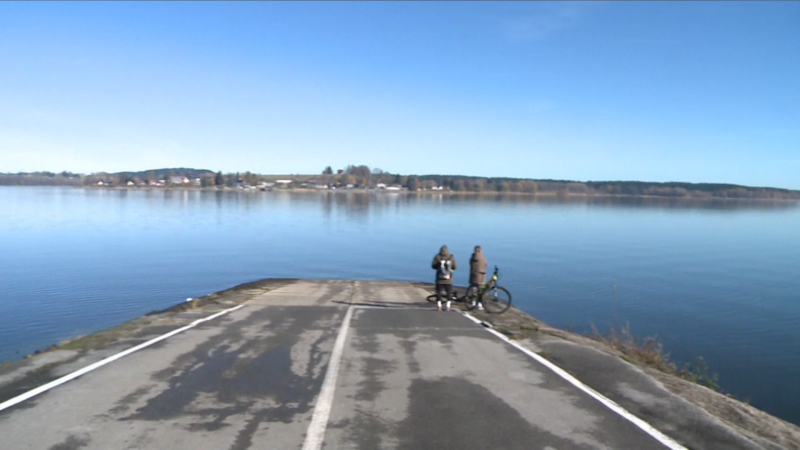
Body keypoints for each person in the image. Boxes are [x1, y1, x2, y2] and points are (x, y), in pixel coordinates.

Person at [431, 245, 457, 312]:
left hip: (439, 279)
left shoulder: (437, 257)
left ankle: (439, 305)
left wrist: (439, 266)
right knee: (449, 292)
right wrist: (450, 270)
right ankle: (448, 305)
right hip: (449, 279)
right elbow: (455, 267)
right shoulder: (452, 257)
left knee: (439, 292)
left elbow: (433, 266)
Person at [469, 246, 488, 310]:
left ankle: (473, 303)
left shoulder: (472, 258)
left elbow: (470, 264)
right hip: (481, 277)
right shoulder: (483, 259)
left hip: (473, 276)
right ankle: (479, 304)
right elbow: (485, 266)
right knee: (481, 291)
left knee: (474, 290)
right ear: (481, 251)